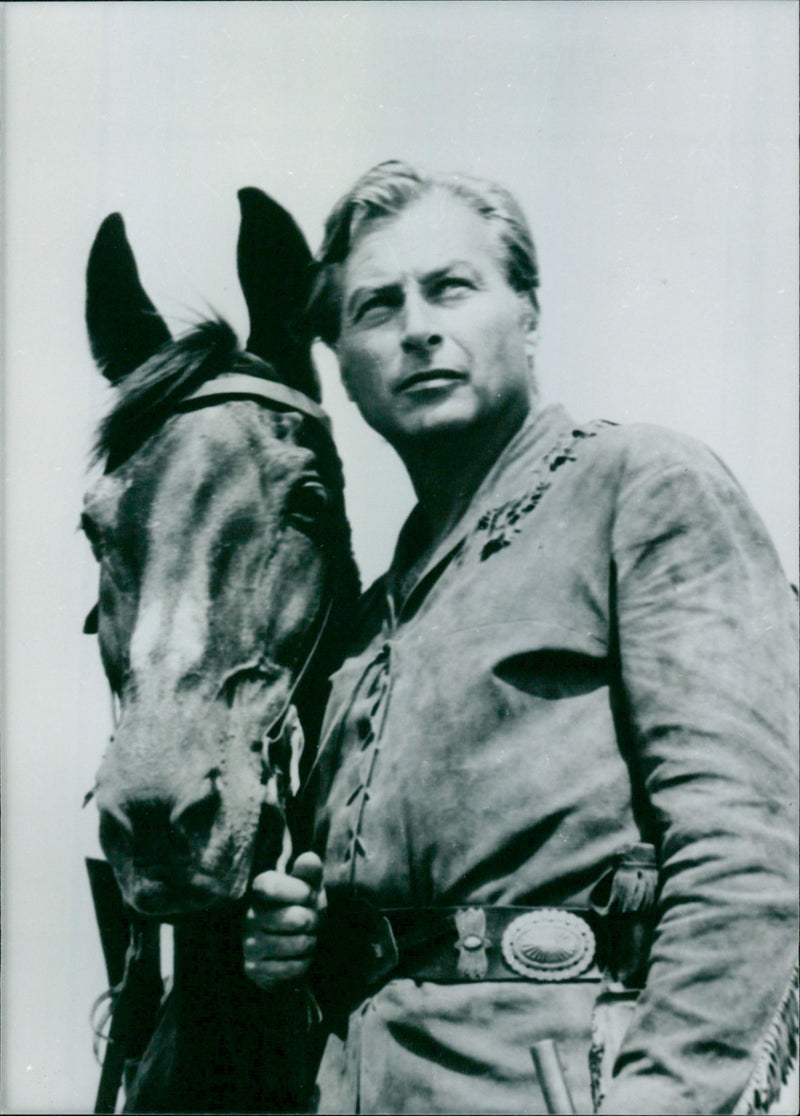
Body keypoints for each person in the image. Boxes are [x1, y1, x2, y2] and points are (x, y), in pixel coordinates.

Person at [242, 161, 799, 1115]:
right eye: (376, 307)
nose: (418, 327)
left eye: (451, 288)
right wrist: (294, 938)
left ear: (528, 311)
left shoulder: (641, 488)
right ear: (341, 361)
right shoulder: (367, 623)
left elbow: (748, 854)